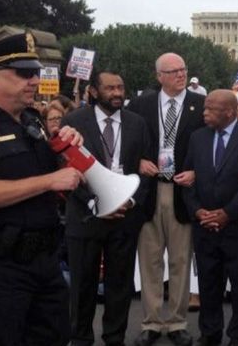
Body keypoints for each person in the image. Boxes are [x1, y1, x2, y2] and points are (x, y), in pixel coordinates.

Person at [0, 32, 84, 346]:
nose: (33, 80)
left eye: (35, 72)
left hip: (45, 261)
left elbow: (54, 180)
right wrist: (50, 181)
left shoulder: (32, 122)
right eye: (23, 73)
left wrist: (68, 153)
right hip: (5, 266)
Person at [62, 71, 151, 346]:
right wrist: (94, 203)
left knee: (119, 286)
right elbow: (65, 170)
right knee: (83, 286)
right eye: (110, 88)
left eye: (120, 87)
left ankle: (115, 338)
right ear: (93, 91)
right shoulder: (73, 122)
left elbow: (146, 171)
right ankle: (80, 338)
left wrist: (131, 201)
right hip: (86, 218)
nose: (117, 93)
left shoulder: (138, 123)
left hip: (124, 218)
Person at [127, 53, 205, 346]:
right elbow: (129, 144)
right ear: (159, 75)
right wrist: (139, 161)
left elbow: (207, 146)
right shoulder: (141, 105)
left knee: (181, 259)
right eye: (173, 71)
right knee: (149, 260)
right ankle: (151, 321)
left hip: (182, 191)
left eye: (183, 69)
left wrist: (196, 171)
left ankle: (176, 322)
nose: (180, 75)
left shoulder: (200, 105)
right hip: (151, 189)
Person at [183, 89, 238, 346]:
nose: (204, 112)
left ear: (229, 112)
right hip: (204, 225)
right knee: (208, 283)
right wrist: (198, 211)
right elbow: (188, 179)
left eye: (210, 109)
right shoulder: (197, 138)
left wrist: (227, 214)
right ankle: (210, 332)